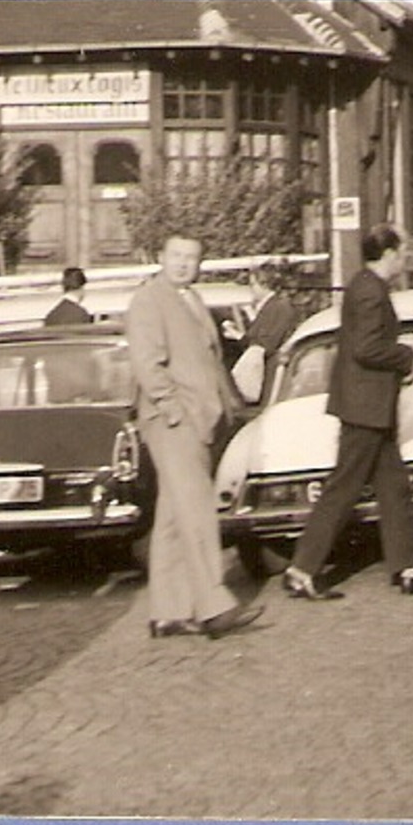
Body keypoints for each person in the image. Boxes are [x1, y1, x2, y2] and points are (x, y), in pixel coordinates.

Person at [282, 226, 413, 600]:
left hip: (369, 404)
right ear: (388, 253)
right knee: (344, 487)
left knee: (393, 486)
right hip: (365, 406)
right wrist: (406, 357)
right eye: (402, 250)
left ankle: (410, 569)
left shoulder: (365, 285)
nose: (406, 257)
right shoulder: (370, 290)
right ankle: (302, 569)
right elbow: (367, 349)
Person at [125, 235, 264, 639]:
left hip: (201, 419)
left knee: (173, 515)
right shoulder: (149, 300)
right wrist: (172, 411)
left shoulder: (193, 300)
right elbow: (147, 364)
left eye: (192, 257)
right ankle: (213, 605)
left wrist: (232, 407)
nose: (184, 264)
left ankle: (167, 612)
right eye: (177, 256)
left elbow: (211, 361)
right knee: (200, 511)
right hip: (174, 421)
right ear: (160, 257)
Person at [225, 262, 302, 399]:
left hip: (269, 374)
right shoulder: (272, 305)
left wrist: (237, 335)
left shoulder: (279, 307)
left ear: (264, 284)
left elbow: (267, 343)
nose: (251, 289)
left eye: (253, 284)